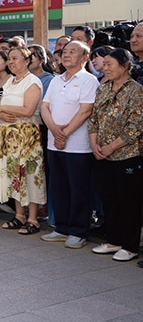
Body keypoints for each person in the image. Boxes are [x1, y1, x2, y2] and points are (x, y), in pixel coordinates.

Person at [40, 41, 99, 249]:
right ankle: (61, 227)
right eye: (65, 51)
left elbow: (85, 111)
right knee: (59, 187)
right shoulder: (56, 81)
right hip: (54, 143)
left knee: (79, 189)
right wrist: (55, 131)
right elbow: (45, 107)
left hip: (78, 145)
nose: (66, 55)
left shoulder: (88, 80)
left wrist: (63, 133)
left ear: (85, 57)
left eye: (73, 52)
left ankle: (78, 230)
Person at [88, 48, 143, 262]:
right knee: (109, 199)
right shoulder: (103, 89)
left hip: (127, 154)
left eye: (110, 64)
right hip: (101, 154)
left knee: (128, 201)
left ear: (125, 66)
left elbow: (135, 126)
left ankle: (130, 246)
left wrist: (111, 147)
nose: (105, 68)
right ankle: (114, 240)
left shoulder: (136, 91)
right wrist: (94, 144)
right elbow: (94, 119)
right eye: (105, 64)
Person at [0, 47, 45, 235]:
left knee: (29, 174)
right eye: (9, 59)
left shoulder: (33, 81)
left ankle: (33, 218)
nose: (11, 62)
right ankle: (19, 214)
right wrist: (1, 111)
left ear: (27, 60)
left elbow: (28, 110)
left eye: (15, 58)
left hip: (26, 136)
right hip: (8, 136)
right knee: (14, 174)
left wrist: (4, 108)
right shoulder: (10, 82)